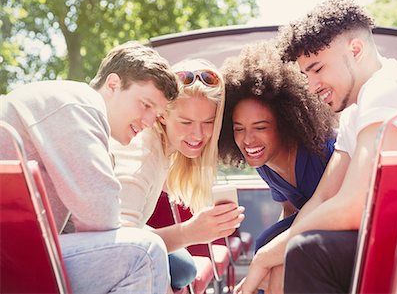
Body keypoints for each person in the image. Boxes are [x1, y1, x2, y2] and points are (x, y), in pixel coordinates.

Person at [233, 0, 397, 294]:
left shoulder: (388, 87)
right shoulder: (356, 113)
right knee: (288, 247)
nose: (311, 85)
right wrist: (270, 254)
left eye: (318, 69)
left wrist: (268, 254)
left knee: (306, 252)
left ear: (355, 50)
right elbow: (322, 199)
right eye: (305, 74)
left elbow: (353, 206)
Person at [0, 41, 179, 293]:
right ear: (113, 85)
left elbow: (84, 223)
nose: (149, 121)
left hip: (16, 251)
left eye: (157, 114)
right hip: (13, 257)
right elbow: (101, 216)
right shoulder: (79, 105)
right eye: (146, 105)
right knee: (144, 253)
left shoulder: (66, 105)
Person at [111, 59, 245, 290]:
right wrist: (190, 232)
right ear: (162, 115)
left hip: (131, 238)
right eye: (186, 122)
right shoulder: (142, 154)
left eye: (208, 122)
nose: (198, 134)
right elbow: (124, 249)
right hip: (103, 250)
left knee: (184, 267)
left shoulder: (166, 152)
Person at [217, 40, 336, 293]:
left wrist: (270, 256)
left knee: (279, 256)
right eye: (239, 129)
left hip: (338, 228)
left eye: (260, 127)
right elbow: (289, 209)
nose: (248, 140)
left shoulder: (322, 151)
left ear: (286, 123)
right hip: (308, 230)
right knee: (266, 241)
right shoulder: (264, 163)